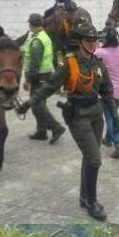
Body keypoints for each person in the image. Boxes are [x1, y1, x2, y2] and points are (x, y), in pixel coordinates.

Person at [28, 20, 115, 221]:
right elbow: (50, 86)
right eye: (88, 39)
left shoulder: (98, 62)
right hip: (78, 114)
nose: (93, 43)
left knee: (89, 157)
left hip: (96, 114)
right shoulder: (69, 63)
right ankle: (92, 202)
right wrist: (31, 101)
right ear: (79, 41)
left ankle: (84, 197)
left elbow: (106, 89)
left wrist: (113, 114)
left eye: (95, 40)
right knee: (95, 159)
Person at [22, 13, 67, 144]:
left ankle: (57, 128)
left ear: (31, 24)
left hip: (39, 77)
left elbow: (35, 63)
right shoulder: (43, 35)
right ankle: (41, 131)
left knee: (37, 105)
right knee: (40, 104)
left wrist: (28, 79)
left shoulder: (37, 40)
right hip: (45, 75)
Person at [94, 25, 119, 157]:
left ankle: (118, 144)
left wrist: (97, 45)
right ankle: (108, 139)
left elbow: (93, 57)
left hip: (106, 92)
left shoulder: (99, 53)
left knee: (109, 117)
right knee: (113, 115)